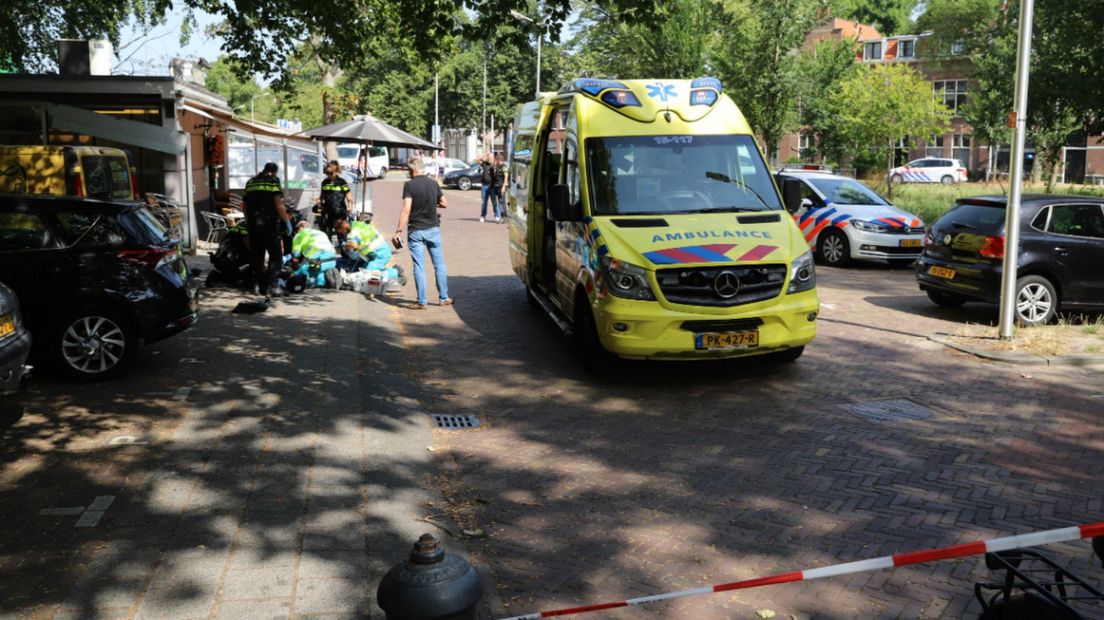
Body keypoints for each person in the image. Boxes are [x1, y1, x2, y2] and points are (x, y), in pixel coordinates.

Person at [393, 158, 450, 309]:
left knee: (419, 266)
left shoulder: (409, 186)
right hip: (433, 229)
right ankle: (443, 298)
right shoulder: (433, 183)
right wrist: (433, 203)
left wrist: (398, 230)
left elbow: (406, 209)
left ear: (413, 170)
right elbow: (444, 203)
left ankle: (422, 301)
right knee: (439, 264)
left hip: (416, 230)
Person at [243, 162, 292, 296]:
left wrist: (249, 222)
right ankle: (272, 286)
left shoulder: (250, 182)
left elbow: (244, 206)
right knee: (276, 256)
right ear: (273, 172)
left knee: (257, 255)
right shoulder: (273, 181)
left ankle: (258, 286)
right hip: (269, 225)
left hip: (254, 225)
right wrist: (287, 221)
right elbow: (278, 203)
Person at [334, 217, 406, 288]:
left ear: (343, 228)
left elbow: (354, 246)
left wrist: (344, 245)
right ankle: (390, 270)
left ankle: (396, 272)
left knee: (369, 275)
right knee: (364, 271)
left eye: (341, 231)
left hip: (380, 254)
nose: (342, 234)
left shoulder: (353, 233)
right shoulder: (357, 224)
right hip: (377, 252)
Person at [289, 221, 339, 288]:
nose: (296, 232)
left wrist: (295, 270)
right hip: (332, 261)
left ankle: (304, 282)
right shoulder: (321, 233)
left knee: (303, 269)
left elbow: (295, 258)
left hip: (317, 262)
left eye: (297, 229)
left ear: (300, 227)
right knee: (319, 270)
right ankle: (320, 283)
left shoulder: (299, 235)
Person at [316, 161, 352, 237]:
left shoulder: (342, 182)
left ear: (336, 171)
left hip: (340, 211)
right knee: (328, 233)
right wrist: (319, 201)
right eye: (327, 173)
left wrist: (350, 206)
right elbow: (322, 196)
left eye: (331, 173)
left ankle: (343, 245)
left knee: (341, 233)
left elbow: (348, 196)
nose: (329, 175)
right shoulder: (324, 182)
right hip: (329, 212)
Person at [478, 152, 499, 223]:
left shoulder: (495, 165)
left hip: (492, 186)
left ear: (493, 158)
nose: (489, 159)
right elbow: (477, 159)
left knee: (494, 202)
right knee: (484, 202)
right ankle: (483, 216)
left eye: (491, 158)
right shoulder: (485, 163)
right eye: (489, 158)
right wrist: (485, 155)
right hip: (484, 186)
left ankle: (497, 216)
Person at [493, 153, 508, 222]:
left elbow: (506, 177)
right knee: (500, 202)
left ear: (500, 160)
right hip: (497, 186)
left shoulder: (504, 167)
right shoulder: (497, 166)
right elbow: (495, 175)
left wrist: (504, 187)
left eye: (497, 160)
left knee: (502, 202)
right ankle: (502, 216)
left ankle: (504, 217)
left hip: (501, 187)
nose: (496, 161)